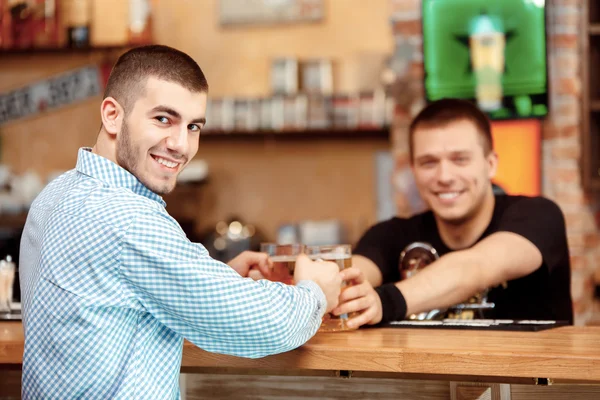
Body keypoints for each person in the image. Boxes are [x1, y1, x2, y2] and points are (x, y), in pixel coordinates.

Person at [19, 45, 342, 399]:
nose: (181, 145)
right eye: (163, 119)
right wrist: (315, 292)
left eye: (193, 126)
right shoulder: (130, 219)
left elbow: (113, 300)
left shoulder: (54, 195)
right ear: (112, 115)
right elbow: (265, 325)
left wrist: (213, 278)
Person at [333, 98, 573, 328]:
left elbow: (477, 266)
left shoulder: (539, 216)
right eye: (429, 162)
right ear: (414, 170)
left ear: (491, 164)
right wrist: (325, 284)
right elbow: (351, 274)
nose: (445, 177)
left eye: (460, 159)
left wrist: (384, 302)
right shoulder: (391, 234)